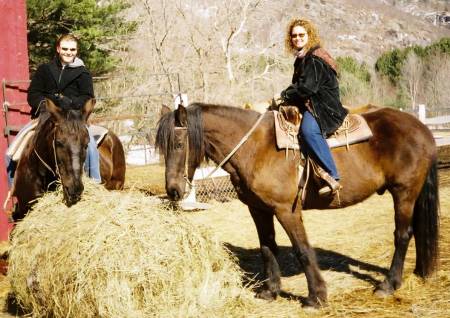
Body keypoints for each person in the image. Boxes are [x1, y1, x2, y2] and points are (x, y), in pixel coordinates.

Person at [6, 34, 101, 186]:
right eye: (65, 49)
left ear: (77, 51)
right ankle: (15, 193)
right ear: (58, 49)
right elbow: (34, 93)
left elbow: (87, 97)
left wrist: (69, 102)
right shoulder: (44, 69)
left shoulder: (83, 73)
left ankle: (95, 185)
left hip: (74, 120)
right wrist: (45, 106)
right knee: (11, 152)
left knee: (90, 149)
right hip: (46, 116)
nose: (68, 52)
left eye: (72, 49)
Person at [279, 19, 348, 195]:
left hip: (323, 107)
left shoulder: (315, 58)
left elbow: (306, 88)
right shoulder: (302, 59)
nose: (297, 38)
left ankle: (333, 175)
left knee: (308, 131)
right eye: (294, 35)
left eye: (301, 34)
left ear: (309, 35)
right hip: (311, 103)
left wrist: (284, 95)